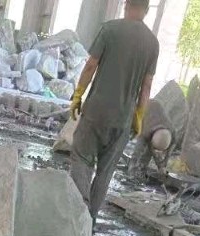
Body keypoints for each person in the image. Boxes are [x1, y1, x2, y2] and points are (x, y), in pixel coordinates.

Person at [69, 0, 160, 221]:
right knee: (105, 172)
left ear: (126, 5)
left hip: (96, 111)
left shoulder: (109, 30)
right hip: (123, 119)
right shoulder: (152, 43)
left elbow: (91, 65)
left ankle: (79, 216)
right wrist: (139, 117)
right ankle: (90, 221)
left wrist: (78, 94)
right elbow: (146, 86)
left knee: (81, 158)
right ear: (146, 11)